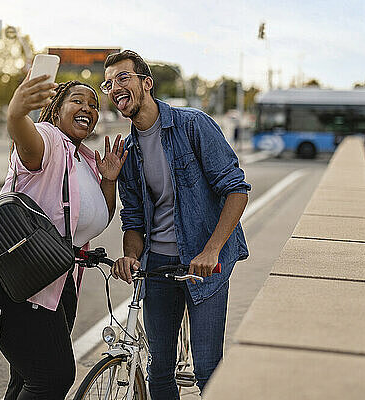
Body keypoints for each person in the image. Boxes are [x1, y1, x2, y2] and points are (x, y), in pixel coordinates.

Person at [0, 72, 127, 400]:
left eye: (93, 104)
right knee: (54, 376)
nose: (88, 108)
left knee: (29, 378)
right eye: (77, 100)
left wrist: (109, 179)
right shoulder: (48, 140)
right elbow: (25, 139)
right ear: (56, 110)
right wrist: (16, 114)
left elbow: (95, 221)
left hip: (50, 280)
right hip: (9, 275)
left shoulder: (87, 161)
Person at [102, 50, 250, 399]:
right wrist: (130, 256)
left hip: (205, 264)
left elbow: (236, 190)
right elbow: (134, 218)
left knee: (207, 369)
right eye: (108, 84)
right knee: (159, 371)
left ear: (146, 83)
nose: (115, 88)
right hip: (159, 266)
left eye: (123, 78)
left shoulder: (192, 125)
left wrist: (212, 250)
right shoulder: (127, 151)